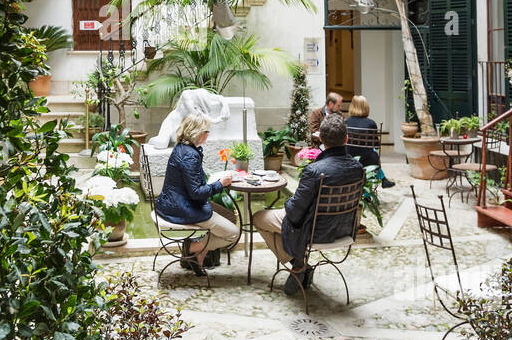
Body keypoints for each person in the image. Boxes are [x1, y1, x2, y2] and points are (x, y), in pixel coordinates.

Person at [254, 113, 364, 295]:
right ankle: (299, 264)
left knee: (259, 218)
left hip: (313, 231)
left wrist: (288, 200)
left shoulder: (314, 170)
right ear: (346, 138)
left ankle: (298, 265)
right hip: (344, 230)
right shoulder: (358, 169)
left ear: (320, 138)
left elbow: (295, 214)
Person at [154, 113, 239, 276]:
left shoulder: (182, 148)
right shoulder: (190, 155)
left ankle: (196, 257)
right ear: (197, 132)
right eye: (207, 131)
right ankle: (193, 248)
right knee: (233, 234)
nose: (208, 134)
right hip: (183, 208)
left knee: (227, 215)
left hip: (171, 204)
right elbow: (196, 193)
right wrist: (220, 184)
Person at [344, 94, 395, 188]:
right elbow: (375, 145)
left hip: (349, 157)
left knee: (371, 151)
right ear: (366, 107)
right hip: (367, 160)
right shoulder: (370, 123)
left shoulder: (346, 122)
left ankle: (384, 180)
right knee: (373, 152)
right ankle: (381, 181)